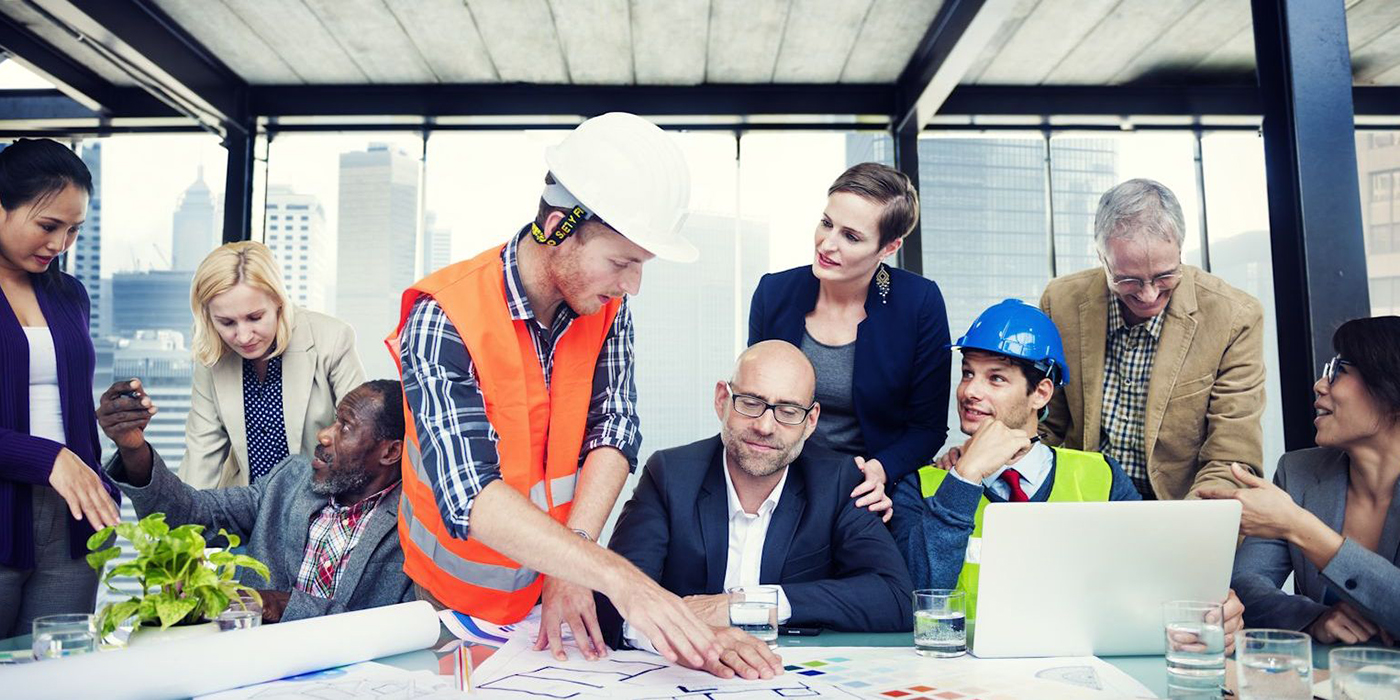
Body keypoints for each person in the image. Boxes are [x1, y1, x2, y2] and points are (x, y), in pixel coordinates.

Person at [389, 112, 719, 667]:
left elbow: (614, 430)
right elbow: (470, 496)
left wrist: (574, 560)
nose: (632, 285)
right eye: (622, 261)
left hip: (558, 592)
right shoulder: (443, 316)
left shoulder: (607, 308)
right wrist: (619, 580)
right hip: (449, 607)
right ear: (558, 227)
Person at [891, 300, 1243, 646]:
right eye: (968, 373)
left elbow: (1156, 583)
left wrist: (1212, 612)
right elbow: (915, 600)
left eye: (995, 378)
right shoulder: (922, 486)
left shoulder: (1102, 478)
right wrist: (964, 479)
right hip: (961, 676)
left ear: (1041, 393)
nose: (970, 391)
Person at [596, 340, 913, 676]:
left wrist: (743, 605)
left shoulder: (838, 480)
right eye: (751, 403)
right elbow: (612, 605)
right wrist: (701, 639)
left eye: (789, 411)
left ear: (811, 420)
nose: (765, 426)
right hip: (682, 677)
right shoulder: (669, 475)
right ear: (722, 400)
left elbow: (895, 598)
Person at [97, 378, 411, 623]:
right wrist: (134, 449)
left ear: (390, 452)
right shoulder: (289, 481)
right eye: (333, 420)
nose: (325, 435)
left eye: (346, 427)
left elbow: (402, 627)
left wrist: (282, 604)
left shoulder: (416, 526)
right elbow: (189, 515)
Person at [1037, 178, 1264, 500]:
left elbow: (1231, 452)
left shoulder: (1234, 317)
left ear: (1180, 251)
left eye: (1164, 276)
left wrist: (1188, 524)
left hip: (1181, 508)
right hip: (1084, 504)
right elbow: (1044, 422)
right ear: (1102, 258)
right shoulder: (1060, 302)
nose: (1148, 295)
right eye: (1128, 279)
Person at [748, 162, 950, 522]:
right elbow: (754, 400)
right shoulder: (774, 293)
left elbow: (927, 428)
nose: (827, 244)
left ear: (889, 247)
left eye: (851, 237)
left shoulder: (918, 303)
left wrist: (881, 470)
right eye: (826, 223)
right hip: (781, 477)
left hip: (869, 486)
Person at [1206, 317, 1400, 645]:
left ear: (1390, 390)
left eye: (1340, 371)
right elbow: (1246, 583)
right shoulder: (1298, 471)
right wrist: (1313, 618)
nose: (1320, 385)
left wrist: (1297, 525)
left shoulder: (1292, 510)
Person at [0, 138, 121, 636]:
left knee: (59, 677)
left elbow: (62, 399)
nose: (60, 244)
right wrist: (48, 458)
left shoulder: (69, 293)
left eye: (74, 230)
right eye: (48, 226)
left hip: (73, 524)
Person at [181, 241, 365, 488]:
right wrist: (186, 523)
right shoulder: (212, 352)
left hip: (321, 506)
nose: (244, 336)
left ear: (279, 301)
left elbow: (362, 437)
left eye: (255, 317)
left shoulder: (332, 339)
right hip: (244, 508)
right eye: (226, 322)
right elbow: (201, 455)